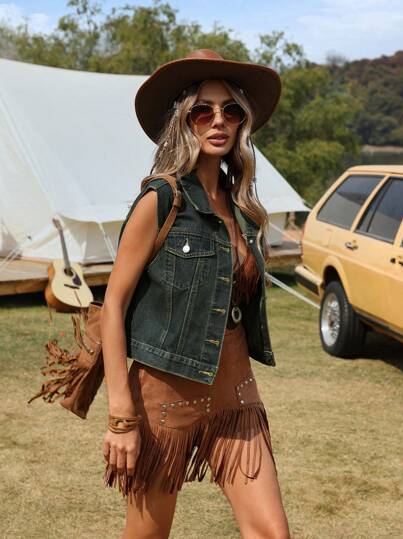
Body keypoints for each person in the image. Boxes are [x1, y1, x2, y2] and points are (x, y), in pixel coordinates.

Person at [100, 49, 291, 539]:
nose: (218, 121)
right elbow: (113, 306)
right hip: (165, 401)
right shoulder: (160, 200)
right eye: (203, 110)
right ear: (183, 120)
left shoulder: (244, 209)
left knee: (272, 533)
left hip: (236, 396)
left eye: (231, 110)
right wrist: (121, 417)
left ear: (243, 121)